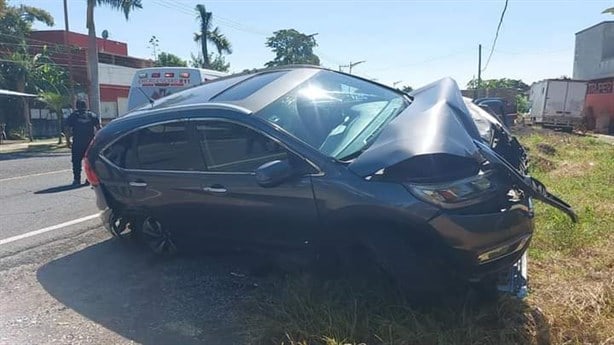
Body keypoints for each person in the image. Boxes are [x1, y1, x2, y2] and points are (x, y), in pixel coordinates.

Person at [64, 100, 101, 185]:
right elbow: (99, 128)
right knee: (90, 162)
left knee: (76, 162)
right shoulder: (92, 115)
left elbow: (67, 129)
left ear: (77, 106)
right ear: (86, 106)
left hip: (77, 143)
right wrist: (98, 140)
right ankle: (89, 179)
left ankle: (77, 179)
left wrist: (67, 141)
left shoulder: (73, 116)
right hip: (90, 144)